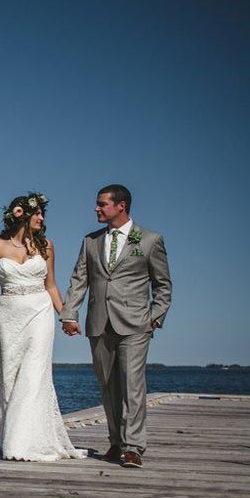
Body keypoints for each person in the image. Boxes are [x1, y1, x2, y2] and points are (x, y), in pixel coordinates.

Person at [60, 185, 171, 468]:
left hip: (136, 324)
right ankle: (116, 442)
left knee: (133, 386)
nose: (96, 208)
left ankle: (133, 447)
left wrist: (154, 318)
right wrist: (69, 314)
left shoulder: (150, 240)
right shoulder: (91, 241)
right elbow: (79, 280)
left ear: (121, 206)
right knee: (108, 386)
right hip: (99, 323)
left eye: (102, 204)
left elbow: (162, 286)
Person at [0, 193, 87, 461]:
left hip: (40, 312)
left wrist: (66, 316)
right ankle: (11, 436)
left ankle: (27, 441)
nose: (41, 218)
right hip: (9, 314)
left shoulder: (46, 246)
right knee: (10, 374)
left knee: (35, 373)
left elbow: (51, 286)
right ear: (20, 215)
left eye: (42, 214)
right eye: (37, 213)